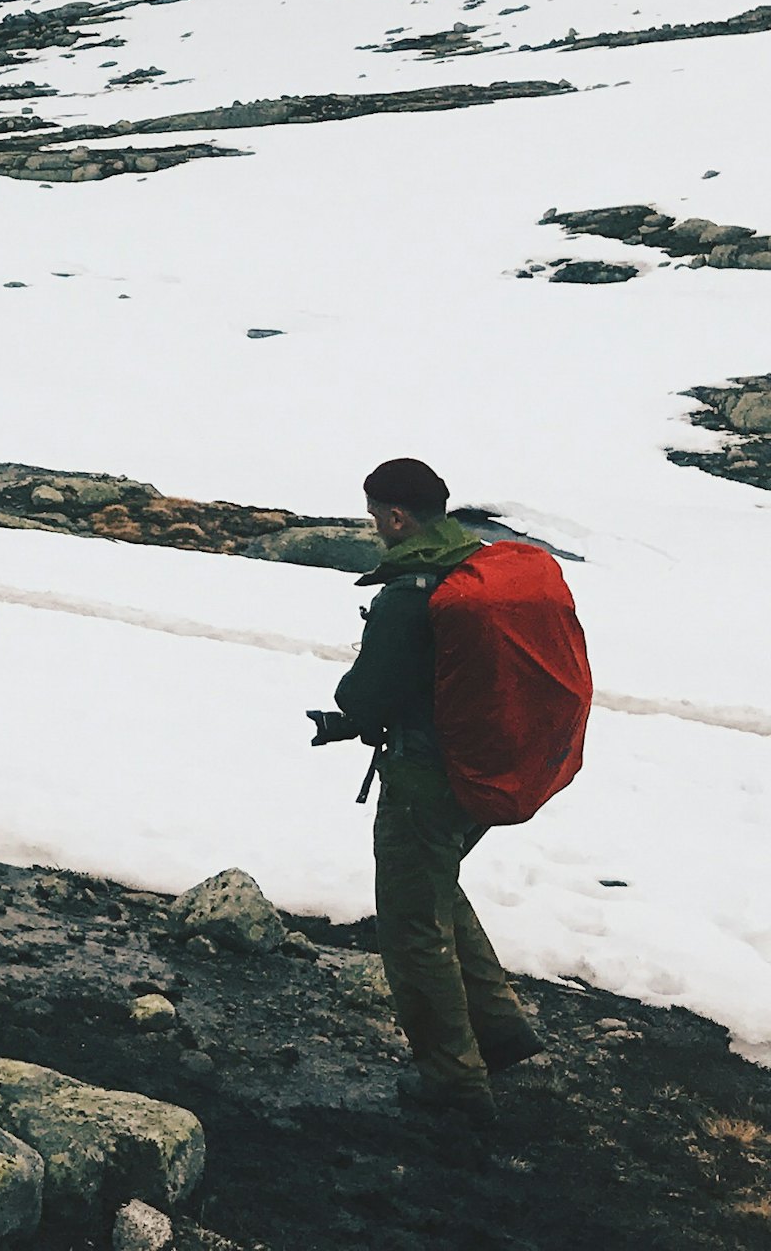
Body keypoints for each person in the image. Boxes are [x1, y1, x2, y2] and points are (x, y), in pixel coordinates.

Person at [326, 457, 543, 1120]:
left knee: (412, 921)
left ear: (396, 516)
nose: (373, 530)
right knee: (435, 887)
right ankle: (500, 1033)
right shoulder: (475, 562)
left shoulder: (408, 591)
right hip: (480, 767)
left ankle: (452, 1077)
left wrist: (348, 711)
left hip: (426, 776)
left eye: (374, 517)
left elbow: (365, 693)